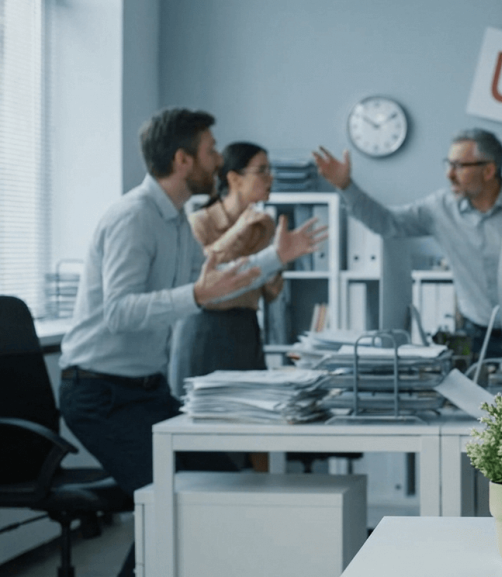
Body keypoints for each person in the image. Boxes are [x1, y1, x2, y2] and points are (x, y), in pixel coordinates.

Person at [58, 108, 326, 576]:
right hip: (99, 395)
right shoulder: (133, 218)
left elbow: (211, 284)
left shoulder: (176, 221)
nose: (218, 160)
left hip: (145, 391)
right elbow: (119, 312)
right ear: (183, 160)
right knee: (175, 502)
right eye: (210, 151)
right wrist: (196, 294)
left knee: (223, 482)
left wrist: (273, 258)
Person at [313, 128, 502, 359]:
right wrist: (346, 186)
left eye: (459, 166)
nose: (449, 174)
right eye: (449, 164)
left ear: (489, 170)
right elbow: (388, 224)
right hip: (477, 335)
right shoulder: (438, 209)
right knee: (479, 418)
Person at [169, 142, 283, 398]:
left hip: (246, 328)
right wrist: (237, 231)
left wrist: (275, 274)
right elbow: (195, 273)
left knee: (251, 417)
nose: (270, 178)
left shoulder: (264, 226)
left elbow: (267, 293)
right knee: (198, 418)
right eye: (262, 170)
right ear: (234, 178)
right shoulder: (199, 221)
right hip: (203, 330)